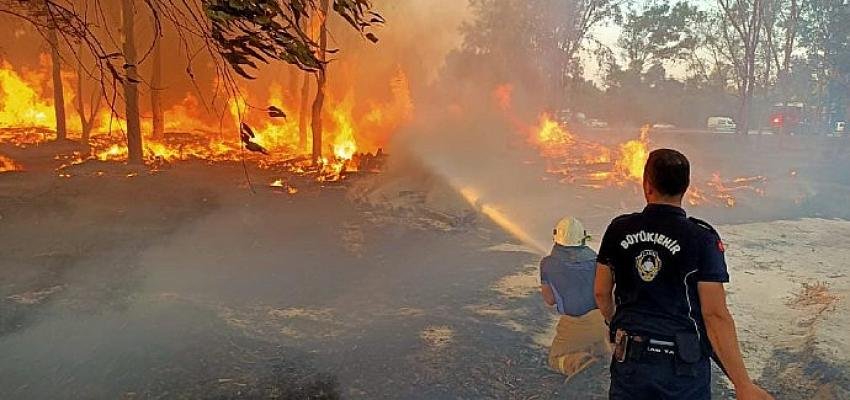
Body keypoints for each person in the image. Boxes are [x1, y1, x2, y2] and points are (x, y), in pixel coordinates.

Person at [593, 149, 773, 400]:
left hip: (631, 365)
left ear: (647, 185)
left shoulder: (618, 229)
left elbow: (601, 292)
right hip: (682, 370)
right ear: (686, 186)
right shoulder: (701, 238)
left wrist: (615, 323)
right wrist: (743, 384)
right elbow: (715, 315)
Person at [540, 216, 610, 380]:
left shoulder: (548, 264)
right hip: (601, 322)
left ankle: (581, 363)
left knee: (555, 359)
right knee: (601, 351)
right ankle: (602, 357)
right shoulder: (597, 260)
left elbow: (549, 300)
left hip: (574, 322)